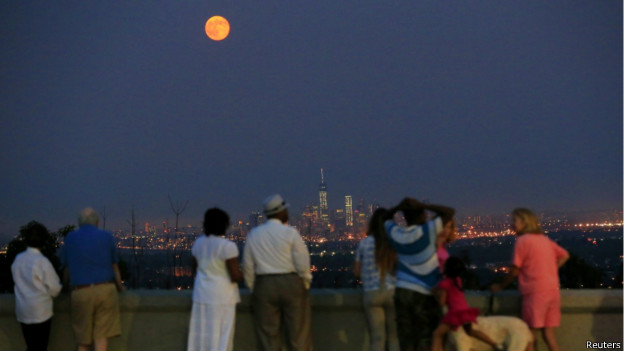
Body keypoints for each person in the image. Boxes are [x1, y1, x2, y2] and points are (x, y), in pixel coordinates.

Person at [490, 208, 569, 351]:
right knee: (548, 335)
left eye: (515, 221)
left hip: (535, 293)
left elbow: (514, 271)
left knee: (527, 335)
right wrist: (549, 270)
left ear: (524, 223)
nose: (511, 224)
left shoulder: (522, 241)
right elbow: (564, 255)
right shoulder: (544, 240)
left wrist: (500, 286)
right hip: (552, 291)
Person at [242, 194, 313, 351]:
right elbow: (302, 262)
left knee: (268, 338)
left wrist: (255, 288)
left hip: (264, 285)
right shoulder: (290, 233)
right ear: (280, 212)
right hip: (291, 283)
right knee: (299, 336)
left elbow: (247, 266)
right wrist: (305, 283)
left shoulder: (254, 234)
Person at [384, 197, 454, 351]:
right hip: (425, 292)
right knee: (426, 338)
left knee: (406, 339)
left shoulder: (396, 233)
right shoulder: (428, 230)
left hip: (402, 291)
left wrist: (399, 207)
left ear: (405, 217)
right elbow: (449, 212)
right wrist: (424, 205)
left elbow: (384, 218)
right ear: (423, 215)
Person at [59, 208, 124, 351]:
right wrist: (120, 286)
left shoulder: (70, 238)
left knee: (83, 340)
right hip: (105, 290)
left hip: (81, 291)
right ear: (97, 222)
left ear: (79, 223)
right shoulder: (107, 237)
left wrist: (64, 287)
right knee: (101, 337)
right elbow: (115, 267)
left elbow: (67, 269)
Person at [187, 208, 242, 351]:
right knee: (222, 338)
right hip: (223, 298)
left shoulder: (198, 244)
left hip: (201, 296)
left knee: (202, 338)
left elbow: (195, 270)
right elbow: (235, 275)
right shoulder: (228, 247)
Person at [431, 257, 501, 351]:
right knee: (471, 331)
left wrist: (435, 294)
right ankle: (495, 344)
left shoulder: (444, 284)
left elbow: (442, 302)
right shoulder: (458, 281)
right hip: (465, 312)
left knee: (437, 334)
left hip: (455, 314)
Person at [11, 222, 62, 351]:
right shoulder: (42, 262)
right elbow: (55, 288)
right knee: (40, 346)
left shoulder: (18, 259)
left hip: (23, 311)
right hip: (41, 312)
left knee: (31, 345)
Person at [354, 208, 399, 351]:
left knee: (377, 339)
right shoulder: (394, 243)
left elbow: (357, 272)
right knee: (394, 338)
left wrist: (368, 278)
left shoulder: (364, 243)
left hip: (372, 293)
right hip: (392, 292)